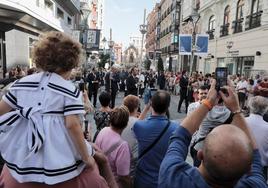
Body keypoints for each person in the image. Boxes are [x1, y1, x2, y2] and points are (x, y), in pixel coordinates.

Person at [0, 31, 117, 188]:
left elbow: (2, 109)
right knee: (99, 162)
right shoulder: (68, 89)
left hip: (24, 151)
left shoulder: (22, 83)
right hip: (60, 153)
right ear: (71, 62)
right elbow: (72, 125)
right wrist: (86, 157)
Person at [158, 79, 268, 188]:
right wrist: (236, 109)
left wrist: (208, 101)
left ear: (200, 155)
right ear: (248, 169)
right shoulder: (256, 185)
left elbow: (180, 136)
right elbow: (256, 158)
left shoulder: (173, 179)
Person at [133, 91, 177, 188]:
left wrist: (146, 108)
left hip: (142, 180)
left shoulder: (139, 126)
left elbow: (137, 123)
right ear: (168, 106)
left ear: (151, 104)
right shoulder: (176, 128)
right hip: (164, 179)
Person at [95, 106, 132, 188]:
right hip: (114, 184)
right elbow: (123, 176)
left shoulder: (103, 130)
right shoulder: (123, 146)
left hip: (100, 180)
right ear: (126, 124)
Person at [122, 95, 151, 177]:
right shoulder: (139, 124)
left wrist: (144, 111)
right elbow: (137, 123)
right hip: (133, 159)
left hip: (118, 156)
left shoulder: (119, 120)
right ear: (136, 107)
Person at [246, 96, 268, 181]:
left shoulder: (241, 122)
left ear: (249, 106)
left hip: (240, 165)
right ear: (265, 109)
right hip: (261, 168)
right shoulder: (267, 127)